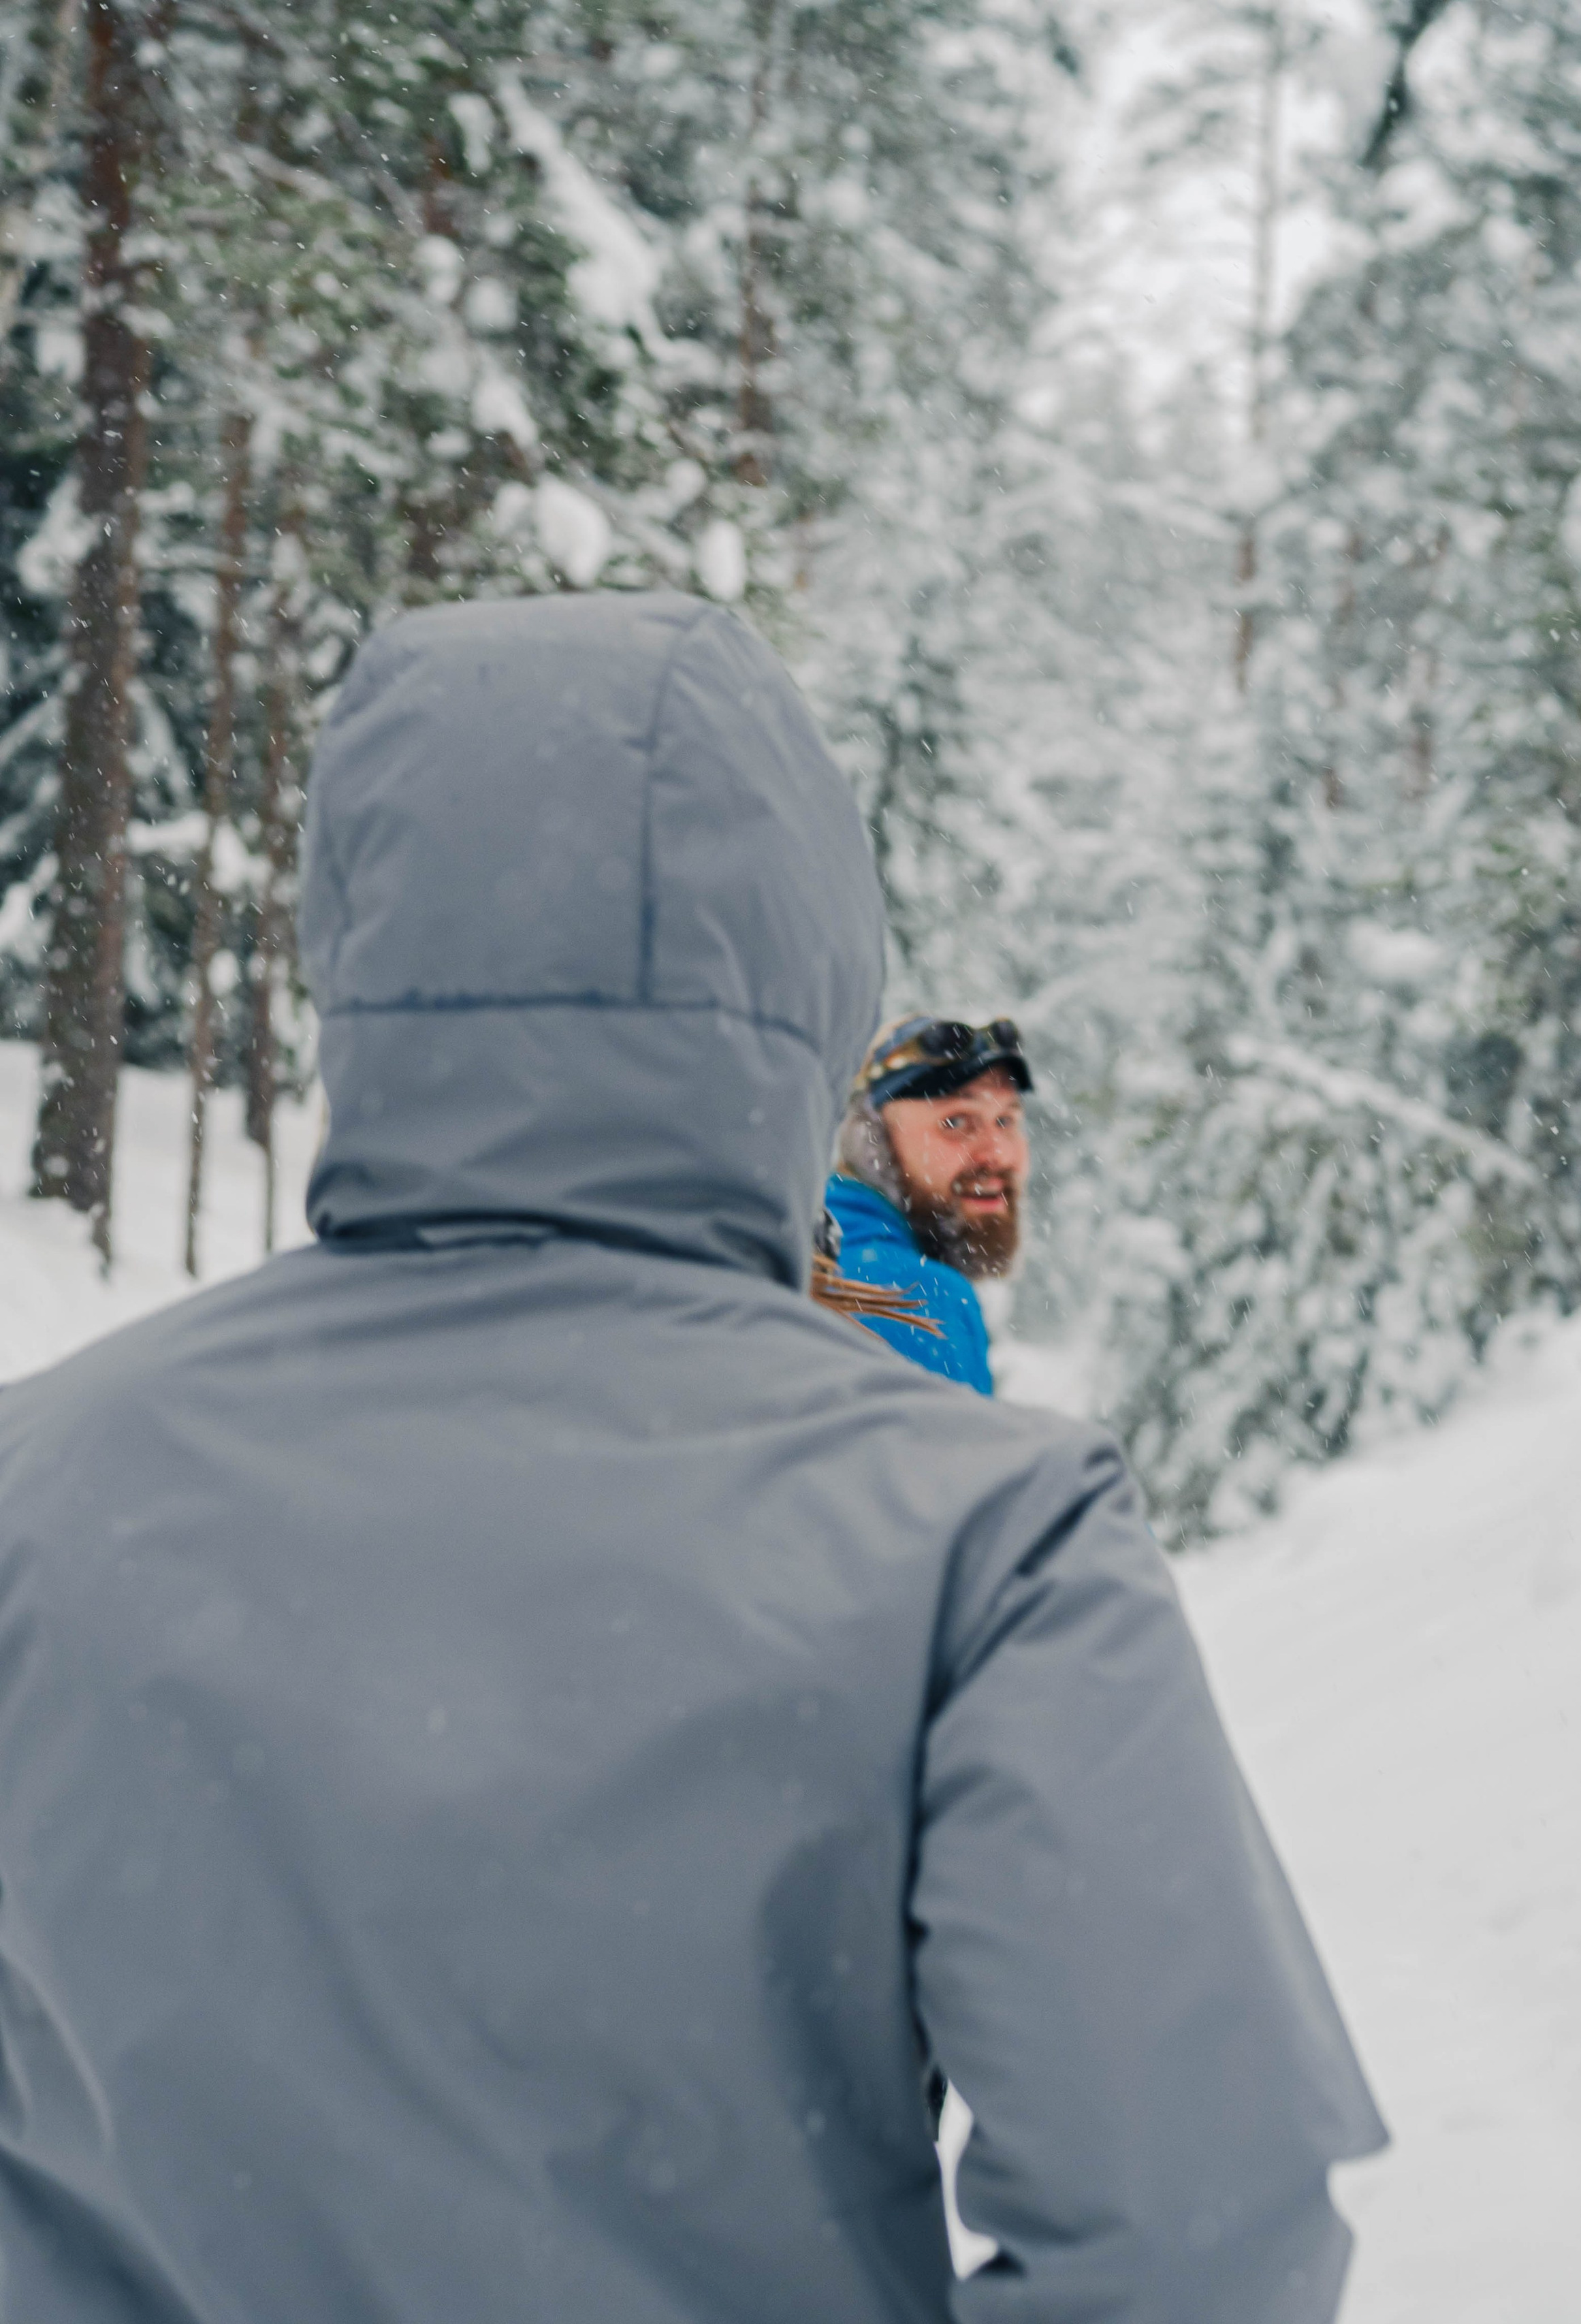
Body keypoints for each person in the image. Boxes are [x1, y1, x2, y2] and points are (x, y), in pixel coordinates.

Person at [0, 591, 1384, 2324]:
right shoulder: (983, 1537)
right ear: (809, 967)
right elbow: (1200, 2229)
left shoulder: (38, 1486)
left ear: (354, 938)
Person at [825, 1015, 1032, 1392]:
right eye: (955, 1123)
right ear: (875, 1142)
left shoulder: (812, 1252)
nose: (997, 1155)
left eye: (1005, 1120)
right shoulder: (906, 1295)